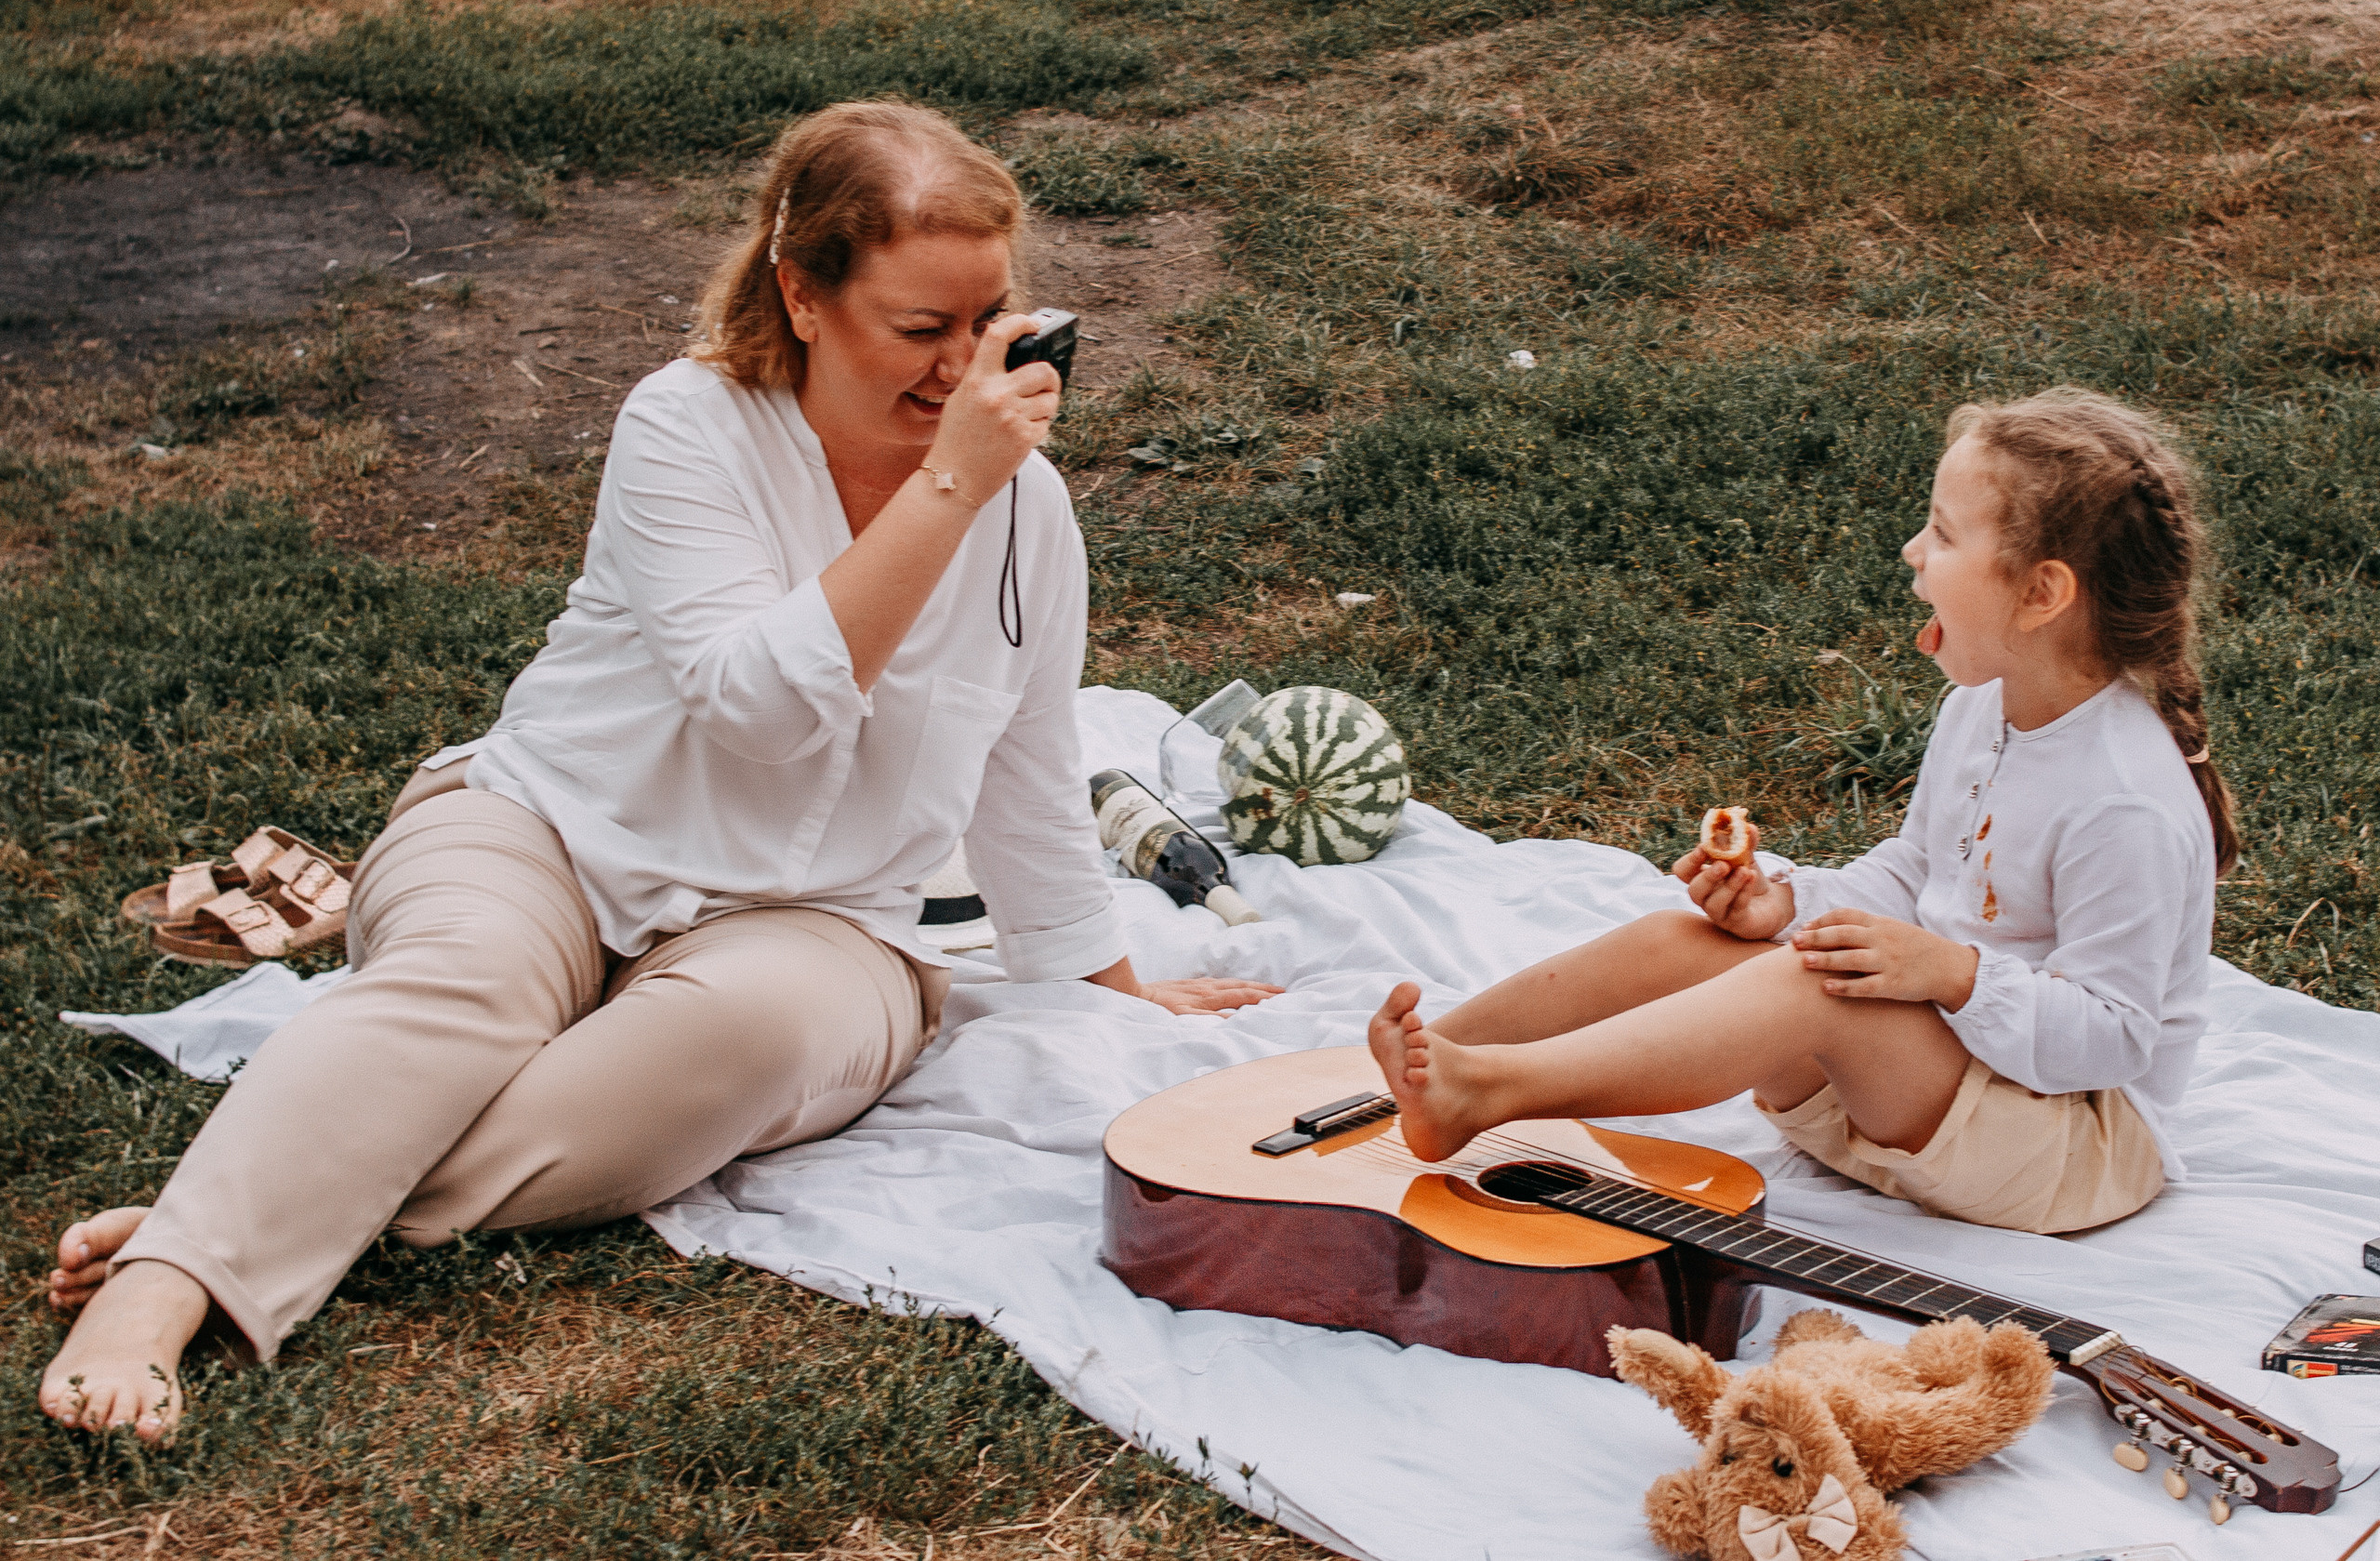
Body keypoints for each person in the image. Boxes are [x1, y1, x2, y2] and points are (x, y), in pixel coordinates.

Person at [41, 100, 1276, 1440]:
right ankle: (163, 1285)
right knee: (453, 989)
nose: (960, 368)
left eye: (985, 321)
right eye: (920, 329)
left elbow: (1026, 769)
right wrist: (944, 492)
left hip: (822, 923)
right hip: (553, 831)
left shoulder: (1027, 506)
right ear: (803, 296)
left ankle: (231, 1198)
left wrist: (1115, 994)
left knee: (706, 1061)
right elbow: (758, 711)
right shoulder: (690, 426)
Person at [1371, 387, 2233, 1237]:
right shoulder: (1982, 707)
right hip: (1922, 1099)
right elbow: (1914, 870)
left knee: (1813, 986)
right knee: (1691, 941)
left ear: (2042, 594)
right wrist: (1787, 904)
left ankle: (1484, 1090)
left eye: (1941, 532)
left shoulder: (2125, 799)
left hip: (2071, 1151)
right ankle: (1391, 1074)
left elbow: (2115, 1036)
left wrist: (1951, 973)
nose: (1911, 550)